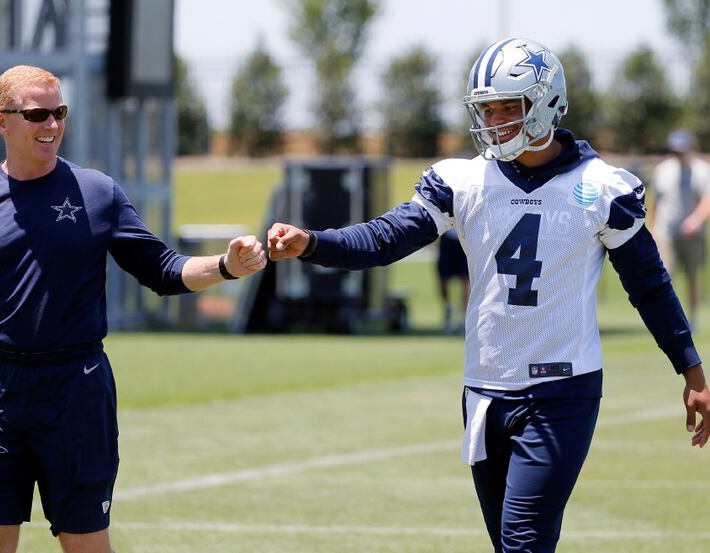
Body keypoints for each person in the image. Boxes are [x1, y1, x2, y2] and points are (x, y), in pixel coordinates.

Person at [267, 38, 710, 552]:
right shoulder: (463, 180)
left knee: (524, 541)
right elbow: (387, 238)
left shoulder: (602, 188)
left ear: (545, 103)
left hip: (561, 391)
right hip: (484, 390)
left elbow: (649, 285)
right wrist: (312, 243)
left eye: (507, 107)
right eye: (487, 109)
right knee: (508, 545)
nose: (495, 120)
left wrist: (691, 370)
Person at [0, 65, 266, 553]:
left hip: (77, 388)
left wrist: (227, 266)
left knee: (84, 542)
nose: (52, 125)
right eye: (38, 114)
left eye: (59, 112)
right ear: (2, 121)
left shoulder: (97, 193)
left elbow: (163, 269)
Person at [650, 130, 710, 327]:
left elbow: (706, 200)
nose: (678, 154)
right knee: (666, 276)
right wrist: (652, 228)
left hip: (693, 235)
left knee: (692, 276)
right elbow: (656, 201)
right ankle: (672, 320)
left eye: (681, 150)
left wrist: (696, 219)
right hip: (666, 233)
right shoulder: (663, 169)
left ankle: (692, 319)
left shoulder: (702, 170)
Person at [436, 228, 470, 334]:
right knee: (443, 280)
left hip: (464, 238)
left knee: (465, 280)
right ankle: (448, 310)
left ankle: (463, 318)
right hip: (447, 239)